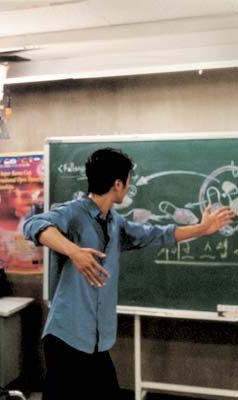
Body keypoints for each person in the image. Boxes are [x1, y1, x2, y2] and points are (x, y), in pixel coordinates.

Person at [22, 147, 235, 400]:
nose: (129, 186)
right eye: (128, 181)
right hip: (67, 337)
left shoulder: (115, 223)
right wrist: (74, 251)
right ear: (118, 184)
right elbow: (33, 225)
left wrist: (201, 229)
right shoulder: (74, 213)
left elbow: (158, 234)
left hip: (97, 341)